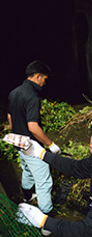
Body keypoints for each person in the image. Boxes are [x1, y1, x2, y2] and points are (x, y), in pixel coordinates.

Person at [7, 60, 61, 215]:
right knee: (44, 180)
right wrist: (50, 145)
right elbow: (33, 127)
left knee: (27, 169)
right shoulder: (32, 97)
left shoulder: (14, 92)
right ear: (38, 76)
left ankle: (27, 196)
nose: (44, 83)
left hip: (17, 141)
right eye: (44, 79)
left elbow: (10, 117)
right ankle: (46, 220)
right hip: (31, 145)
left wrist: (17, 134)